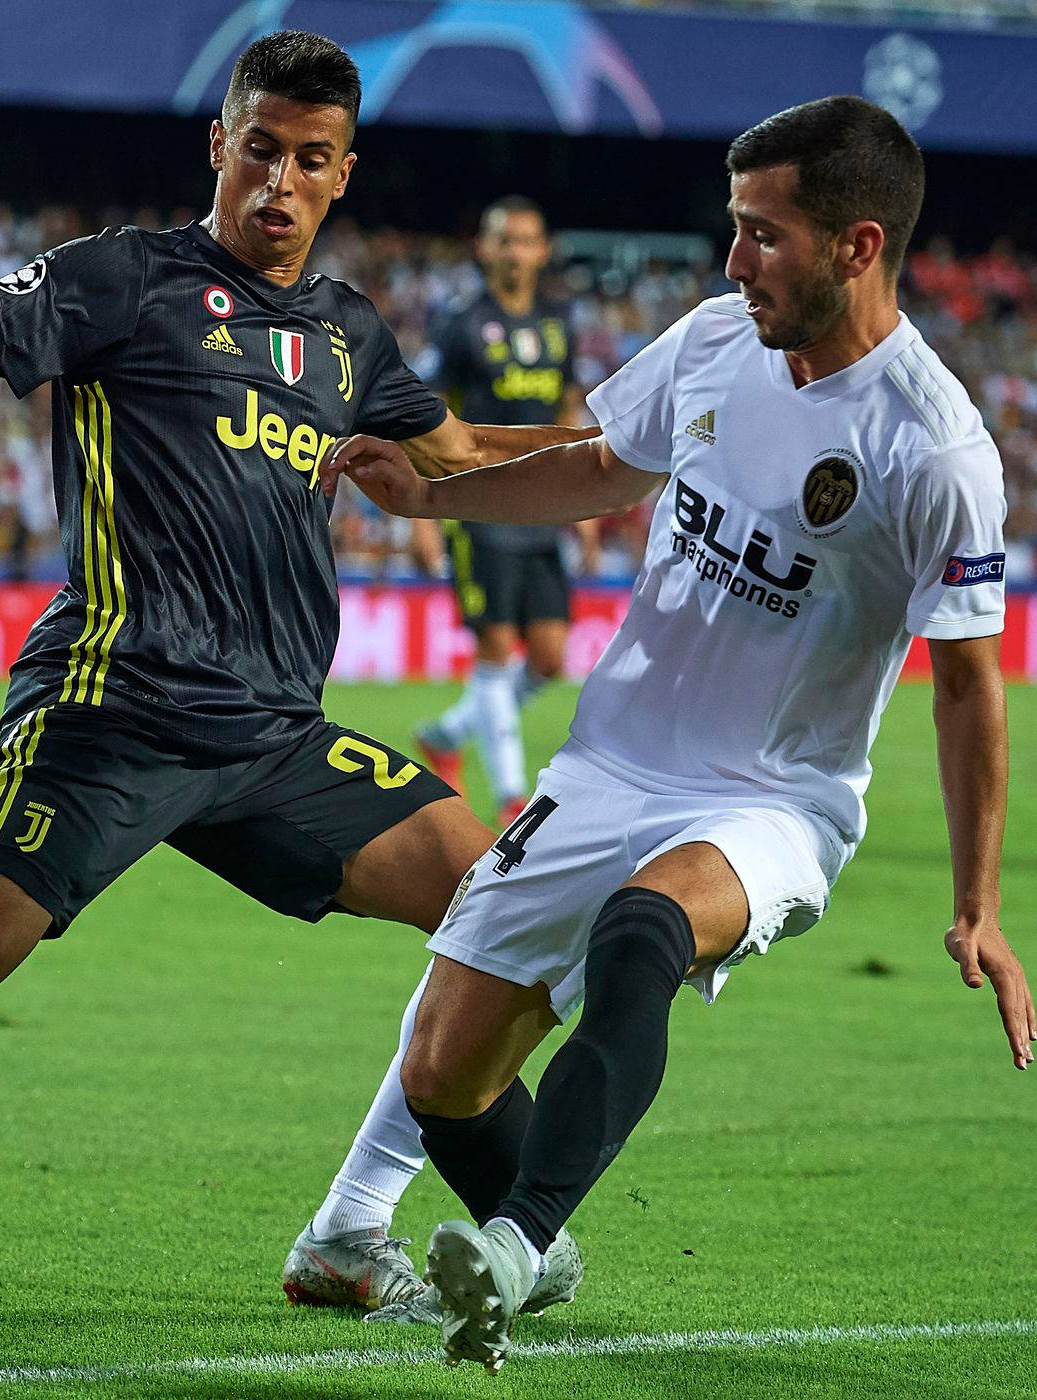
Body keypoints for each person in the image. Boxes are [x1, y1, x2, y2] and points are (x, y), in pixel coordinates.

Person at [0, 30, 589, 1352]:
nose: (280, 181)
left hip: (273, 735)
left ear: (343, 173)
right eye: (261, 148)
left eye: (311, 161)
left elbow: (471, 456)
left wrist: (663, 445)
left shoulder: (347, 333)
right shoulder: (123, 282)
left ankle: (347, 1235)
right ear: (220, 142)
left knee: (505, 909)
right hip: (114, 709)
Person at [298, 95, 1034, 1371]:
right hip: (605, 765)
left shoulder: (934, 447)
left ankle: (517, 1247)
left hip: (771, 798)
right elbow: (596, 464)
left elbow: (969, 683)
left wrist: (974, 901)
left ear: (858, 246)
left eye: (763, 235)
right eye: (733, 228)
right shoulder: (711, 341)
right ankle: (528, 1238)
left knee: (643, 932)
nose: (733, 259)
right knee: (441, 1077)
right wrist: (435, 492)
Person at [410, 197, 599, 825]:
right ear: (484, 249)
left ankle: (443, 734)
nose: (515, 252)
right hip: (478, 506)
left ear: (543, 250)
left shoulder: (557, 324)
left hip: (542, 510)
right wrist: (423, 516)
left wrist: (586, 506)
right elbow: (423, 420)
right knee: (494, 649)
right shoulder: (459, 324)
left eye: (526, 240)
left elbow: (568, 413)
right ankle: (515, 797)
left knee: (548, 658)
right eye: (503, 241)